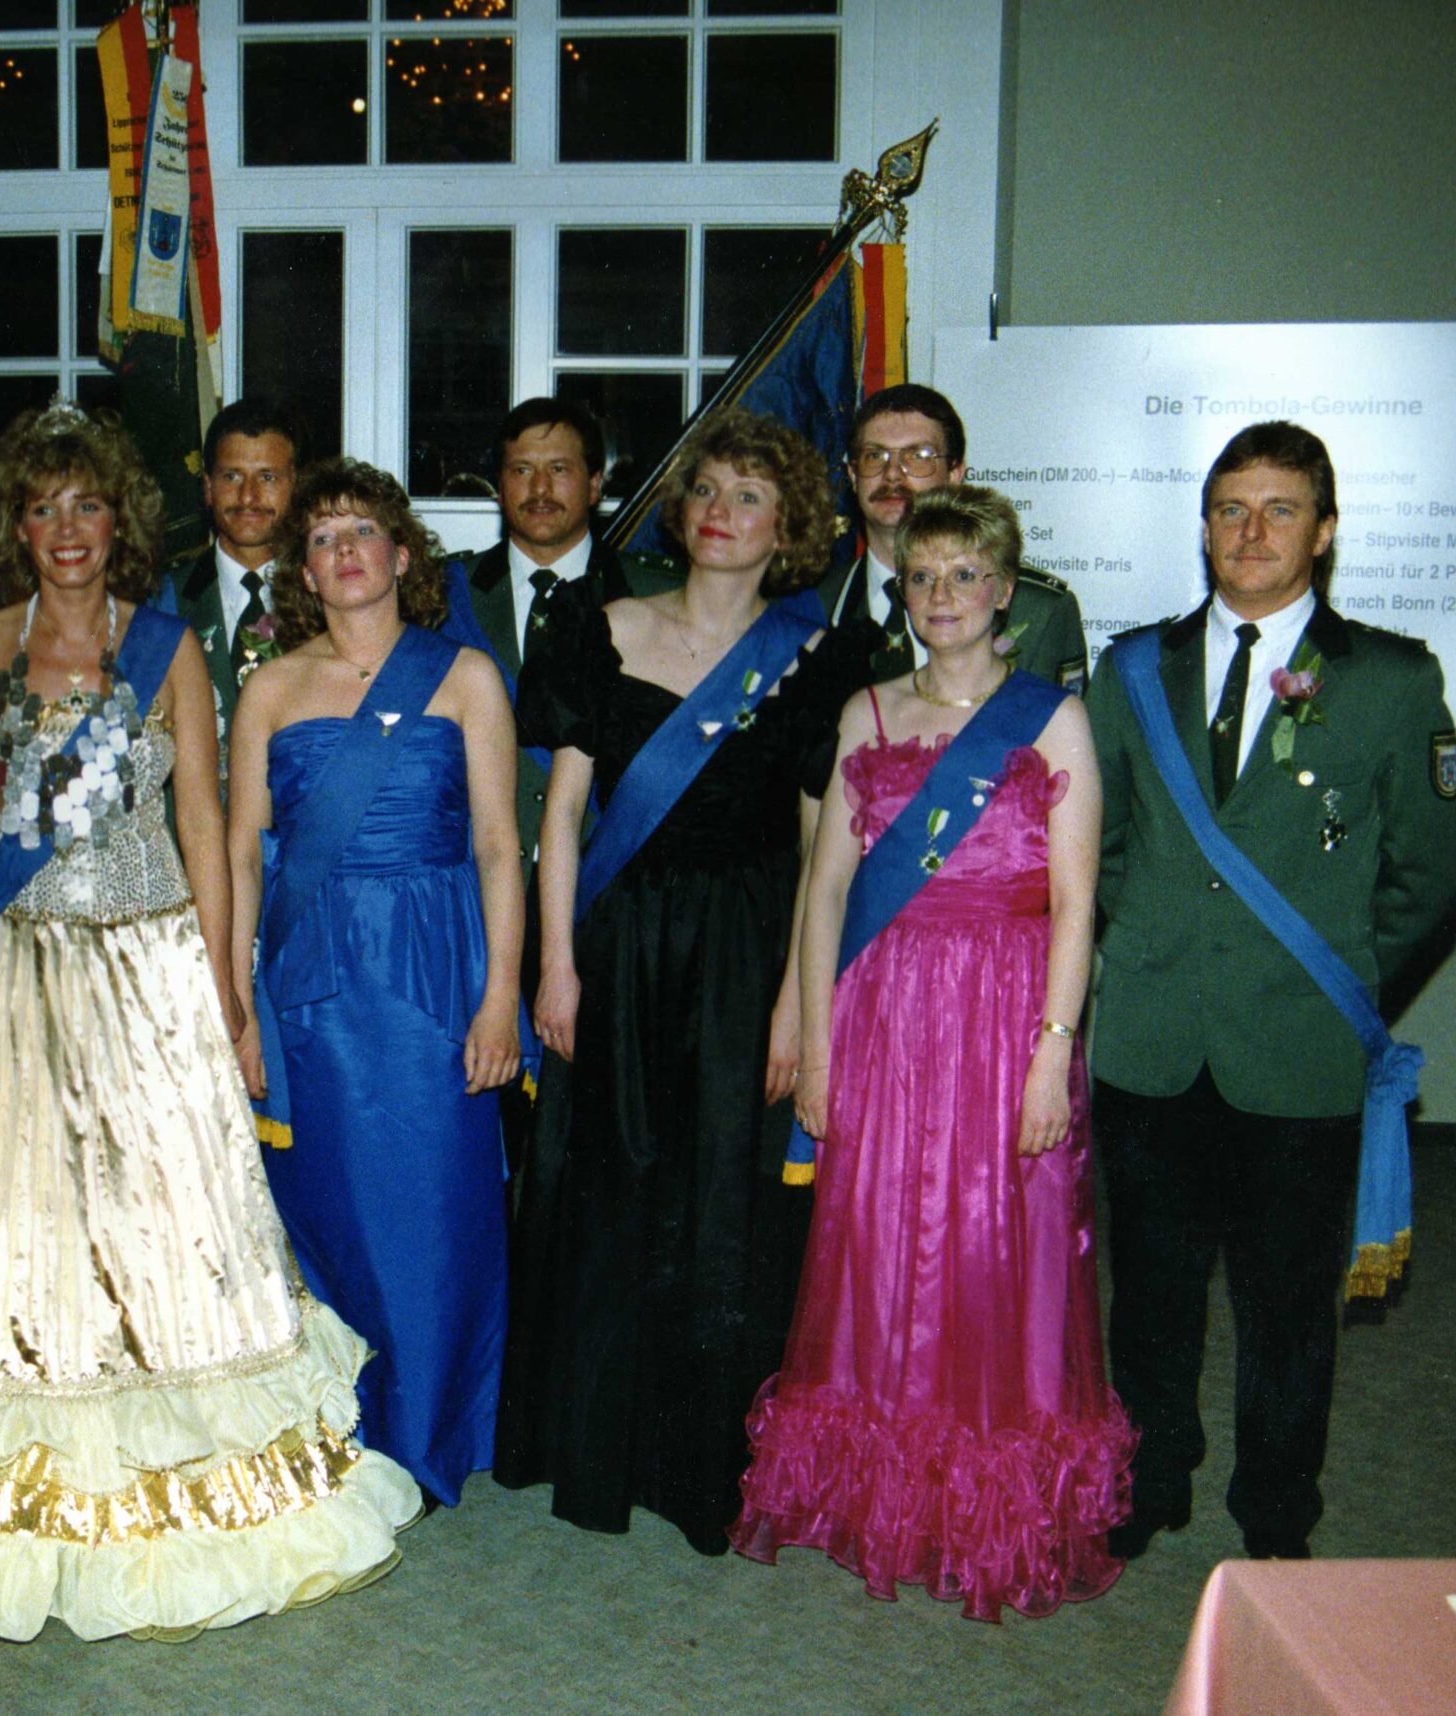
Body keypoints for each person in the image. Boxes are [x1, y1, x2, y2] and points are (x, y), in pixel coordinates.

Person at [0, 404, 418, 1641]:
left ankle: (177, 1468)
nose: (66, 529)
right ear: (15, 528)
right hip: (14, 965)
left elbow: (205, 822)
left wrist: (220, 983)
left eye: (88, 505)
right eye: (42, 508)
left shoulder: (165, 650)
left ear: (120, 521)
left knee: (166, 1218)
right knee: (15, 1220)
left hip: (151, 963)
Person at [731, 486, 1134, 1621]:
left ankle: (988, 1512)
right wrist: (818, 1046)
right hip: (886, 1016)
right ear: (900, 592)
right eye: (922, 576)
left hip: (1006, 1017)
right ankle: (884, 1501)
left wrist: (1053, 1053)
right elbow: (825, 894)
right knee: (876, 1246)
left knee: (998, 1249)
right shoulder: (866, 713)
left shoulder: (1050, 719)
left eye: (964, 575)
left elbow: (1075, 904)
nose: (942, 595)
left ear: (1003, 592)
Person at [1088, 421, 1456, 1562]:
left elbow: (1423, 881)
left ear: (1325, 530)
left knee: (1287, 1305)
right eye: (1229, 510)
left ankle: (1275, 1507)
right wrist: (1151, 941)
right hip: (1152, 1037)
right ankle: (1152, 1474)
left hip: (1297, 1049)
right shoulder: (1134, 667)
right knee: (1150, 1288)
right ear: (1203, 526)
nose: (1251, 532)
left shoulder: (1390, 679)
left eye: (1280, 509)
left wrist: (1334, 991)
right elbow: (1098, 841)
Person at [495, 411, 860, 1551]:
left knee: (719, 1195)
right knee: (609, 1185)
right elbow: (562, 814)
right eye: (706, 490)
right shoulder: (600, 629)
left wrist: (796, 1005)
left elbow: (819, 851)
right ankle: (595, 1447)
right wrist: (554, 967)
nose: (720, 512)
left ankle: (698, 1463)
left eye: (750, 497)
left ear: (788, 528)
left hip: (744, 951)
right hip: (617, 939)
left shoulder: (817, 660)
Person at [226, 457, 521, 1510]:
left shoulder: (465, 676)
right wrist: (237, 1008)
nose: (343, 550)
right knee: (327, 1210)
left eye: (361, 531)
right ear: (303, 572)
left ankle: (427, 1434)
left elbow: (499, 845)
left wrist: (501, 999)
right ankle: (335, 1433)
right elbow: (240, 855)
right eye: (321, 538)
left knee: (436, 1211)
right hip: (312, 984)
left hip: (435, 976)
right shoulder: (269, 688)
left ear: (401, 554)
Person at [441, 397, 678, 1170]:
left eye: (560, 469)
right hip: (476, 901)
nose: (539, 489)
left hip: (609, 901)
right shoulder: (439, 596)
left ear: (597, 483)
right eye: (521, 470)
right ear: (498, 483)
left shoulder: (656, 595)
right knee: (484, 1133)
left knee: (601, 1139)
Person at [821, 385, 1088, 692]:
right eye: (874, 455)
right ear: (853, 476)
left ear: (955, 474)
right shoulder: (815, 605)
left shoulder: (1038, 610)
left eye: (919, 456)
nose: (892, 473)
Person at [160, 398, 303, 726]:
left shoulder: (325, 599)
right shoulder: (164, 598)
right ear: (208, 488)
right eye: (232, 476)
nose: (248, 496)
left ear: (294, 487)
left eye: (267, 477)